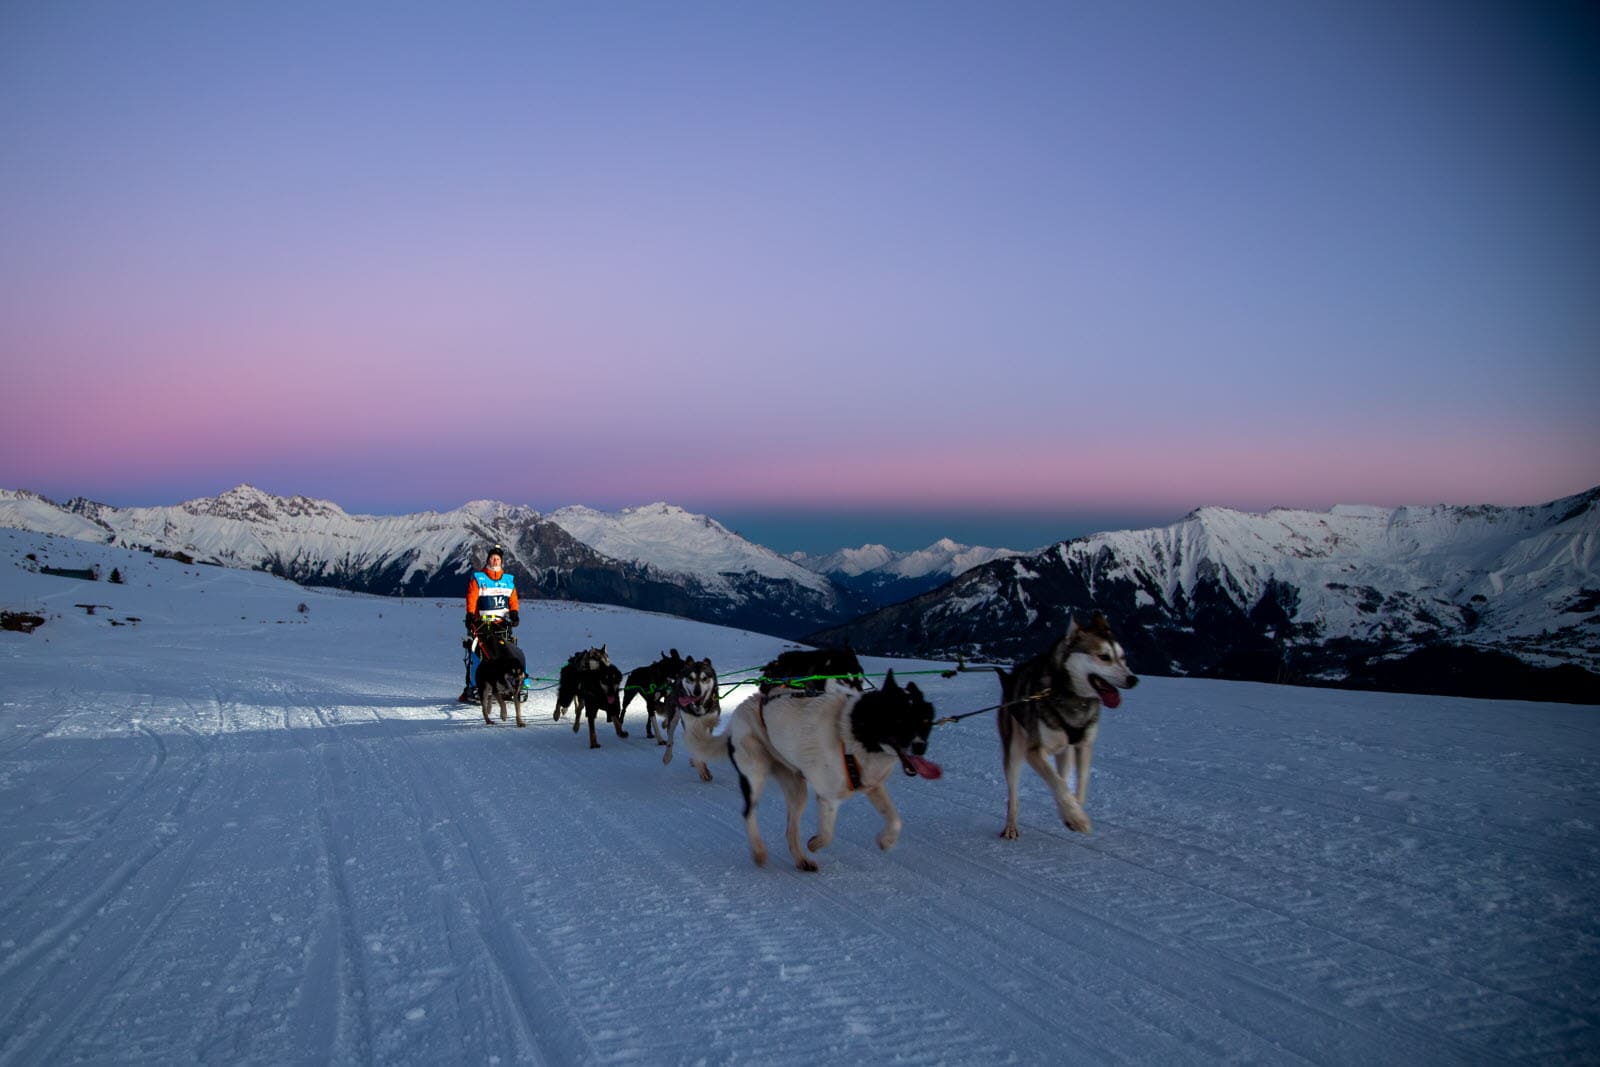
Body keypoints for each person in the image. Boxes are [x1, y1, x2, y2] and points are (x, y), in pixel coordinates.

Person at [459, 544, 527, 702]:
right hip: (481, 624)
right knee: (479, 653)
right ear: (488, 560)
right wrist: (469, 615)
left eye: (497, 559)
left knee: (511, 653)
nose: (495, 561)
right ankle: (477, 686)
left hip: (502, 624)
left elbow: (513, 599)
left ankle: (520, 684)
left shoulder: (508, 580)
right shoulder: (478, 578)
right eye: (492, 558)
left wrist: (515, 613)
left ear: (501, 561)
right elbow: (472, 597)